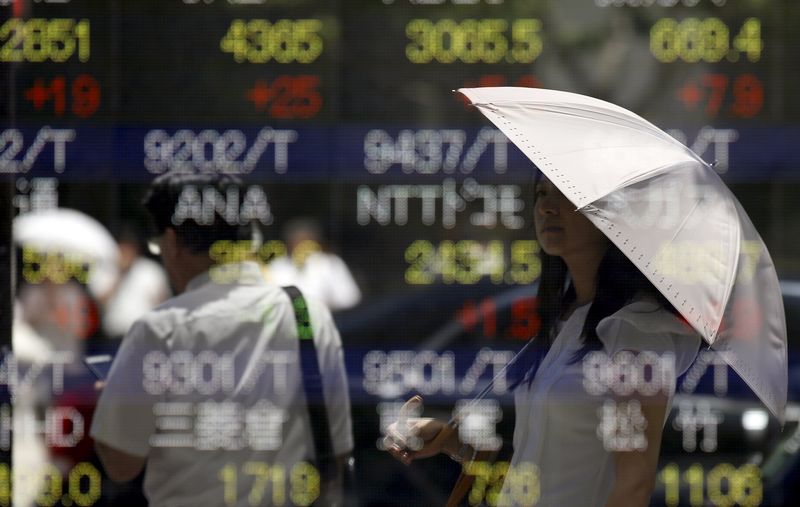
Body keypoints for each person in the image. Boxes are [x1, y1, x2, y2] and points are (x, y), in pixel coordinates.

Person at [385, 176, 702, 507]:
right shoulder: (565, 320)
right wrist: (452, 442)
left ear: (611, 213)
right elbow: (544, 467)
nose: (547, 207)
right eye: (541, 194)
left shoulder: (636, 329)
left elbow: (633, 483)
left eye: (567, 194)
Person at [90, 172, 354, 506]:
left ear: (172, 242)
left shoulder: (159, 330)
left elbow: (121, 464)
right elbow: (339, 450)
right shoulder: (308, 315)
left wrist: (114, 397)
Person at [267, 218, 361, 311]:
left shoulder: (331, 263)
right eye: (297, 241)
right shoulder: (275, 267)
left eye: (305, 241)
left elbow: (349, 299)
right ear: (289, 244)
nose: (301, 247)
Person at [99, 224, 171, 338]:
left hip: (144, 335)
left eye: (129, 248)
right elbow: (100, 301)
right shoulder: (106, 269)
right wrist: (120, 275)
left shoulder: (150, 270)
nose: (126, 253)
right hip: (114, 336)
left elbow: (162, 302)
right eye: (122, 248)